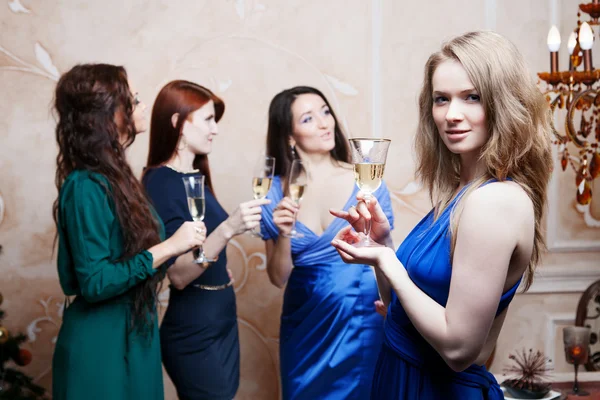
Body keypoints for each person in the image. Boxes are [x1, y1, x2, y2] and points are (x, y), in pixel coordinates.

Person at [330, 30, 553, 399]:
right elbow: (397, 305)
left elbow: (459, 350)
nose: (451, 115)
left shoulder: (494, 201)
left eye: (472, 97)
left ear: (503, 103)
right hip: (402, 380)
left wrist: (389, 261)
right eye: (441, 99)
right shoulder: (460, 194)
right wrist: (382, 244)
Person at [52, 64, 206, 400]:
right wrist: (169, 246)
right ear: (106, 115)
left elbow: (139, 263)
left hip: (137, 335)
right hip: (100, 348)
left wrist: (197, 246)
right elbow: (94, 282)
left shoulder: (118, 178)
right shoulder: (85, 186)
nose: (142, 106)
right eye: (132, 100)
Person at [259, 86, 394, 399]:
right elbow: (278, 278)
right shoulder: (274, 193)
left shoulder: (365, 182)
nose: (324, 123)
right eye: (308, 118)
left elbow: (385, 252)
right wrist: (284, 232)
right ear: (290, 136)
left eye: (325, 111)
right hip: (304, 322)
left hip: (362, 316)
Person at [142, 80, 269, 400]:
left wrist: (217, 266)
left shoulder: (195, 177)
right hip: (194, 329)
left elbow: (200, 248)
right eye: (208, 120)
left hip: (220, 317)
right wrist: (228, 229)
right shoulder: (160, 182)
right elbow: (179, 275)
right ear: (178, 124)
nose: (216, 129)